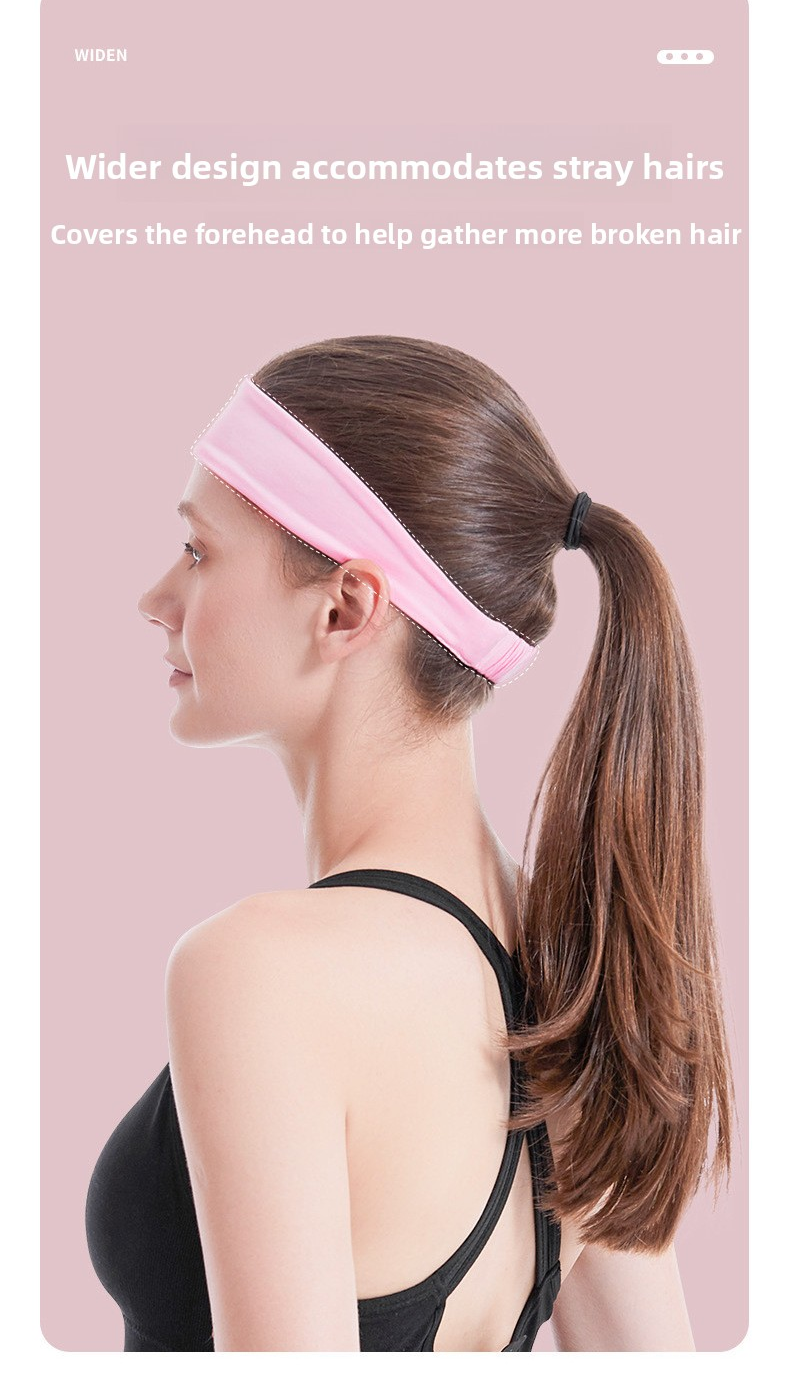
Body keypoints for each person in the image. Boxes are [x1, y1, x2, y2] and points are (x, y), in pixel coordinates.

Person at [85, 334, 734, 1351]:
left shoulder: (259, 969)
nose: (156, 597)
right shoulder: (565, 954)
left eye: (198, 550)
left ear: (346, 606)